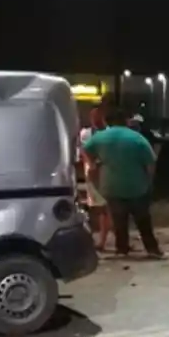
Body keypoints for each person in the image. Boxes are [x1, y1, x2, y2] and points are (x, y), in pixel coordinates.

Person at [82, 107, 164, 259]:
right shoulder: (137, 138)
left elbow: (86, 150)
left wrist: (93, 164)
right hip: (137, 185)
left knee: (119, 220)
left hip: (111, 185)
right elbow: (150, 162)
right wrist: (148, 181)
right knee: (143, 220)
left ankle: (122, 249)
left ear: (107, 120)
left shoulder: (100, 137)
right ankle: (152, 249)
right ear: (126, 121)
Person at [78, 106, 112, 252]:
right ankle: (100, 239)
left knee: (106, 208)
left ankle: (103, 240)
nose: (95, 119)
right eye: (93, 116)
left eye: (98, 116)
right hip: (92, 175)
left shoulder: (110, 133)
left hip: (106, 173)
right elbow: (82, 152)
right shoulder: (85, 134)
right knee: (98, 209)